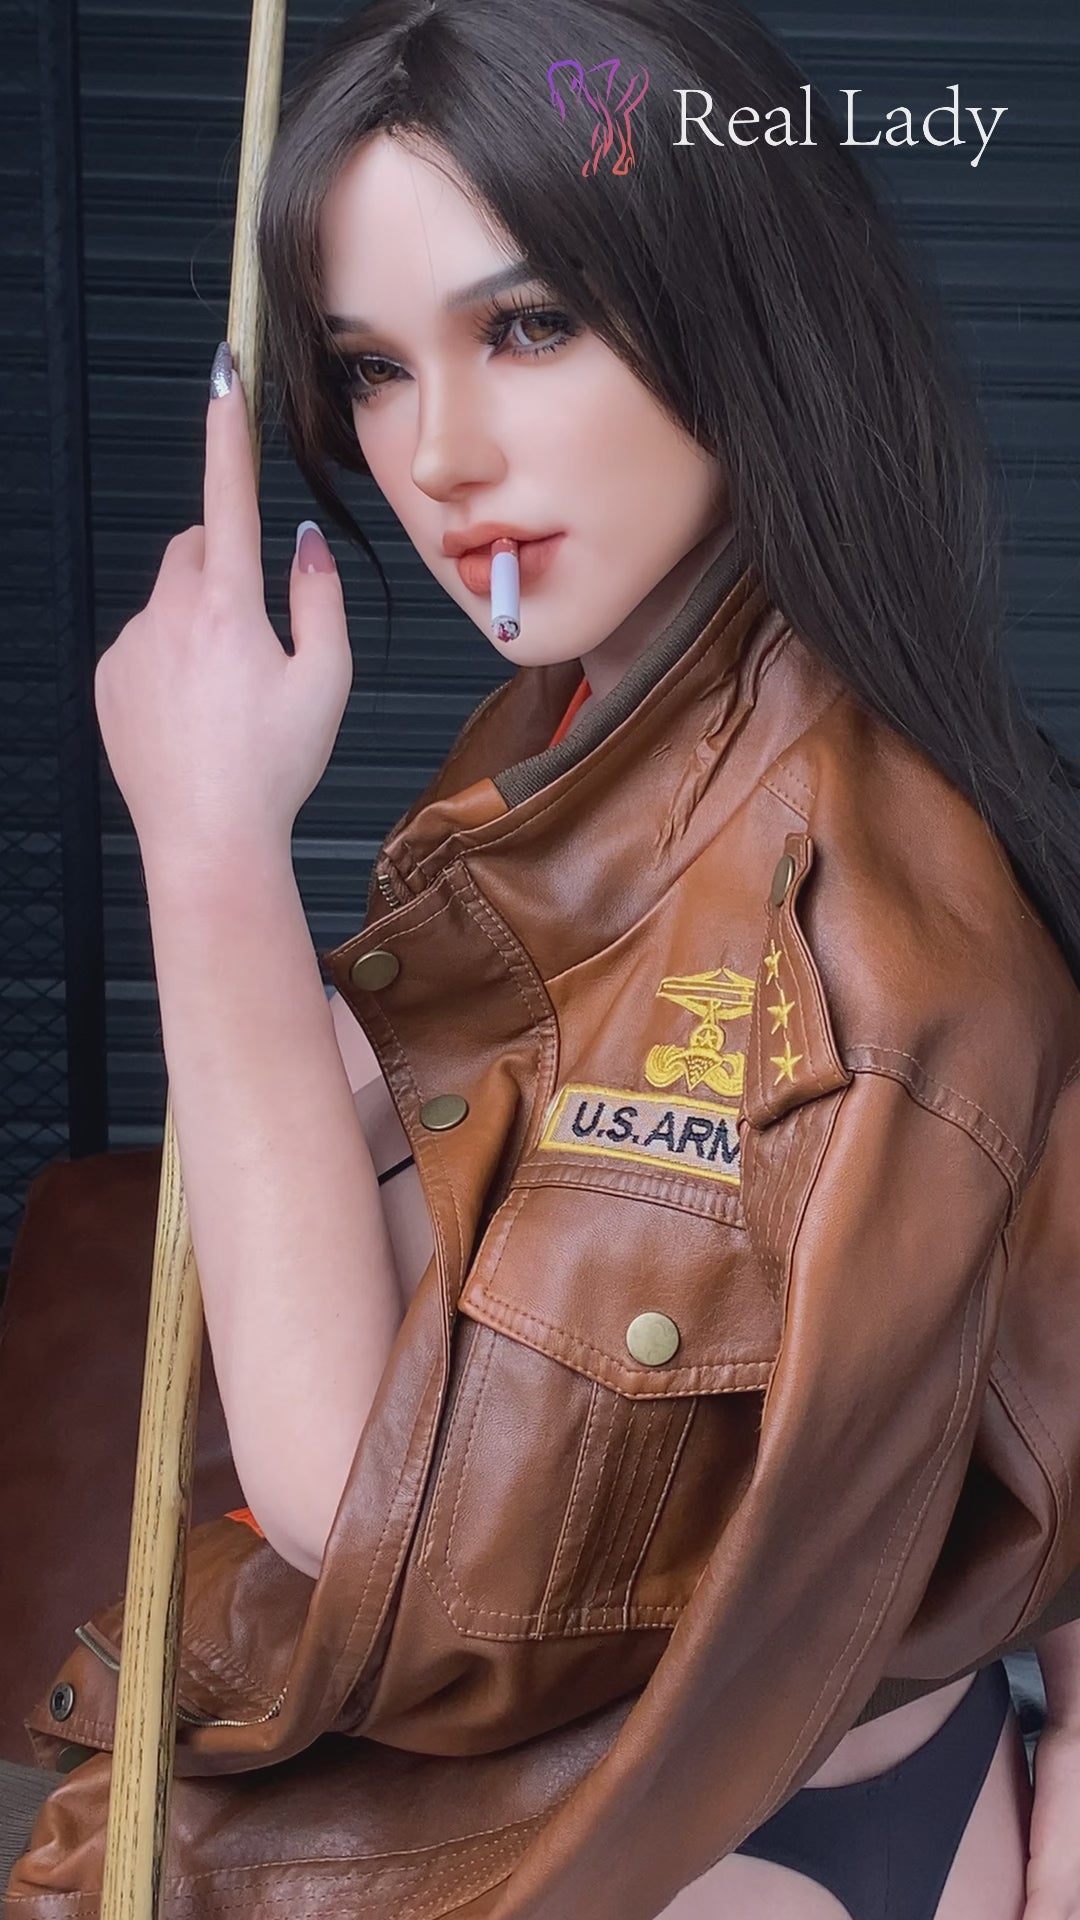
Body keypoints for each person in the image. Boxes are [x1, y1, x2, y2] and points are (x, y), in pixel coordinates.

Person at [6, 2, 1080, 1916]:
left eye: (527, 327)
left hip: (680, 1843)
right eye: (373, 367)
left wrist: (211, 851)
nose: (441, 456)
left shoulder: (821, 926)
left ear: (737, 301)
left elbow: (362, 1511)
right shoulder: (606, 739)